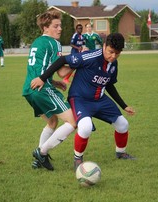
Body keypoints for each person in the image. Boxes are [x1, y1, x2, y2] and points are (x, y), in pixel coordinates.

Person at [31, 33, 136, 171]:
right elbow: (62, 60)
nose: (113, 56)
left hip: (100, 100)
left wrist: (124, 105)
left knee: (123, 124)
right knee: (85, 127)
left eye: (117, 53)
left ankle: (121, 153)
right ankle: (78, 158)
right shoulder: (89, 57)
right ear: (104, 46)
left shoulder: (113, 64)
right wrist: (43, 78)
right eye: (111, 52)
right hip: (80, 99)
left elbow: (109, 84)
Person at [22, 10, 76, 171]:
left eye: (60, 26)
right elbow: (62, 71)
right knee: (72, 122)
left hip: (29, 90)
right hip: (42, 89)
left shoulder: (38, 42)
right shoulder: (54, 43)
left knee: (52, 122)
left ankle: (38, 161)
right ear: (45, 27)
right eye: (56, 26)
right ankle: (42, 152)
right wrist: (80, 62)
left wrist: (55, 82)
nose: (60, 29)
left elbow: (40, 68)